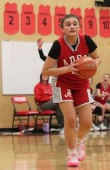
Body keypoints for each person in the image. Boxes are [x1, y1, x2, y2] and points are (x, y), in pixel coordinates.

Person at [42, 14, 101, 167]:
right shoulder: (58, 45)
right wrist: (67, 68)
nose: (72, 26)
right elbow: (46, 71)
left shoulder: (87, 40)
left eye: (75, 23)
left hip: (81, 84)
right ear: (62, 28)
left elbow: (98, 58)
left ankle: (79, 142)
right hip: (63, 84)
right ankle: (72, 153)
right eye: (67, 24)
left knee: (87, 122)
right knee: (70, 119)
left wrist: (92, 64)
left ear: (79, 27)